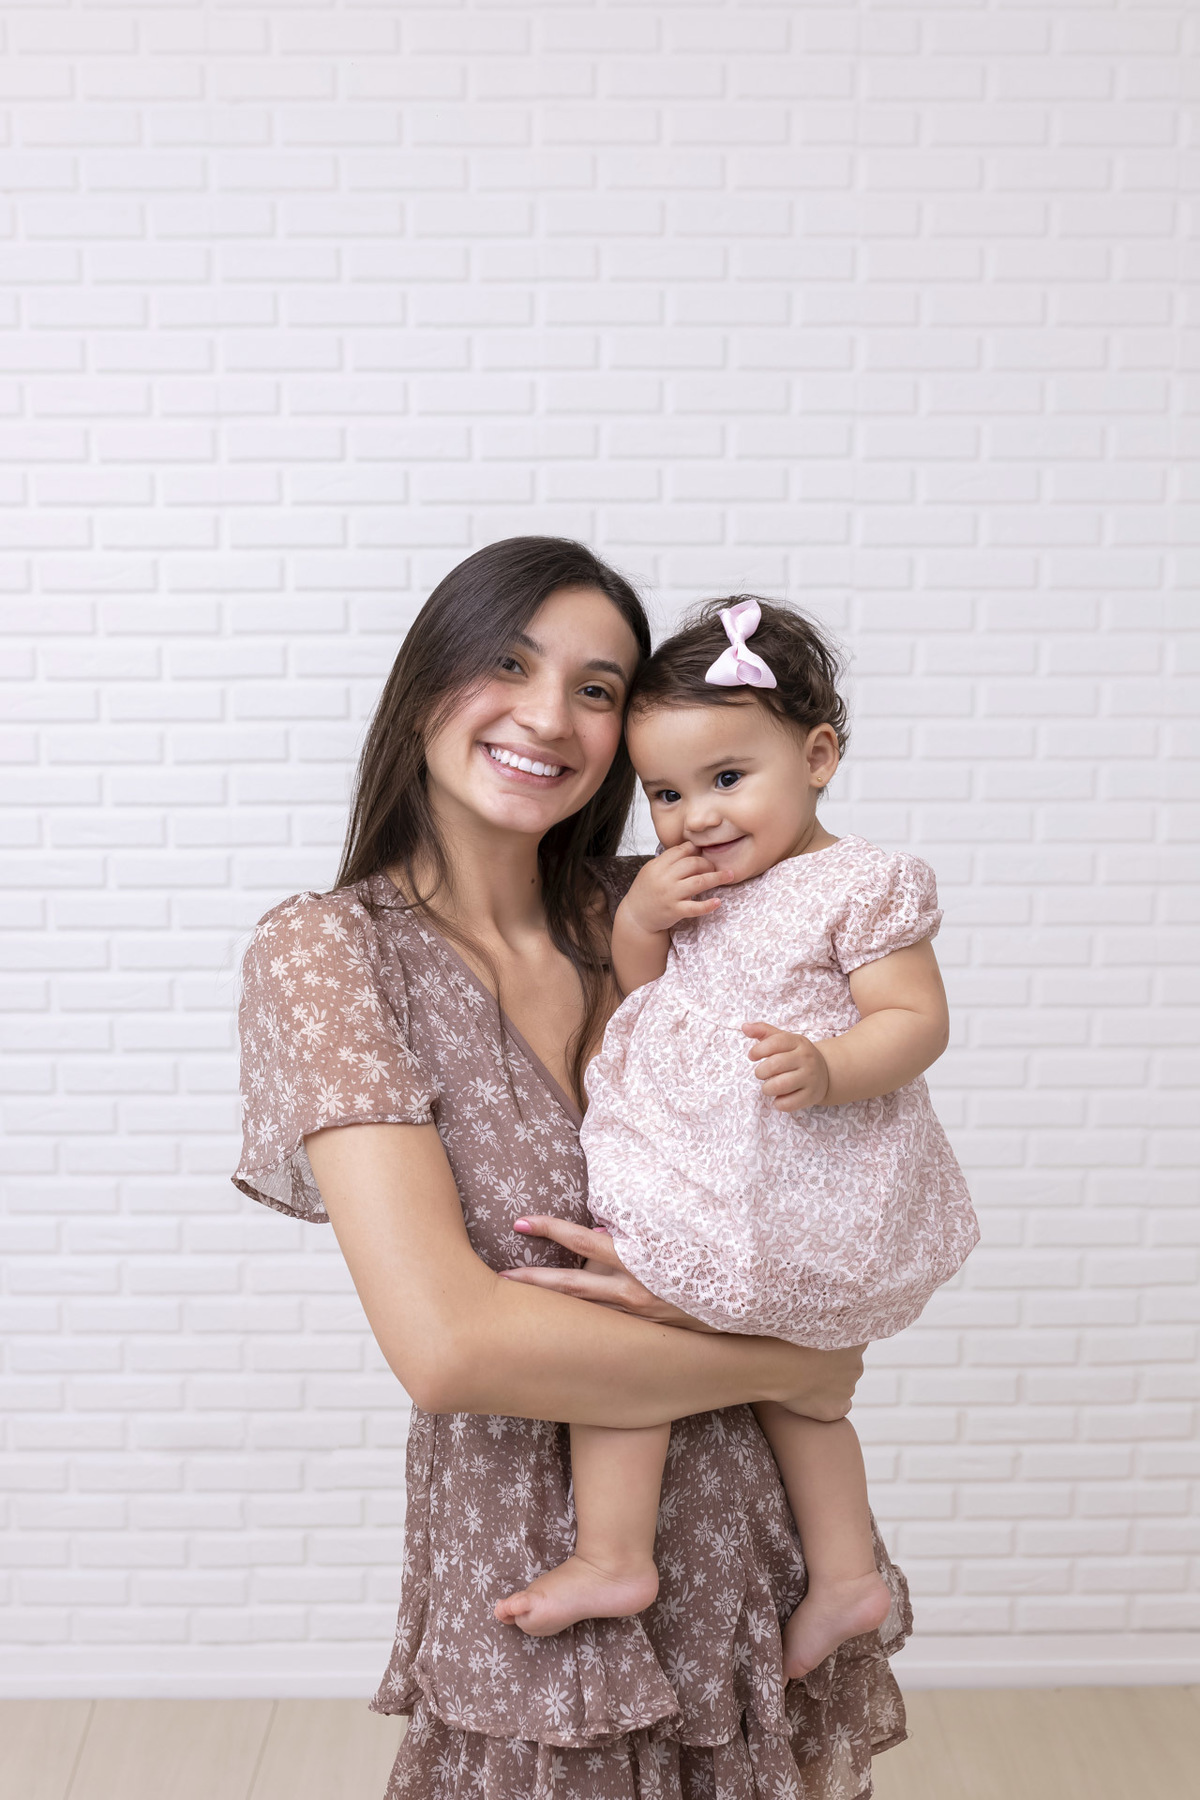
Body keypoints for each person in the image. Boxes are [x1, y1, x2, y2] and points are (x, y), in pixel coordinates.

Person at [233, 540, 912, 1799]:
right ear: (423, 684)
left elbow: (841, 1139)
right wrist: (800, 1360)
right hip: (540, 1554)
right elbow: (450, 1347)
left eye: (598, 689)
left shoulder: (663, 909)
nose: (548, 716)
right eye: (507, 663)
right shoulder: (329, 957)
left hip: (753, 1537)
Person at [496, 597, 978, 1682]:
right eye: (665, 793)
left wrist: (831, 1066)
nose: (696, 817)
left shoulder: (860, 883)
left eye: (727, 779)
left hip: (808, 1180)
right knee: (719, 1373)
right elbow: (643, 994)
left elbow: (916, 1019)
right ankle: (718, 1563)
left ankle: (742, 1565)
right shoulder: (696, 884)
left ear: (817, 757)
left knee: (746, 1378)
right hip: (708, 1178)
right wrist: (640, 921)